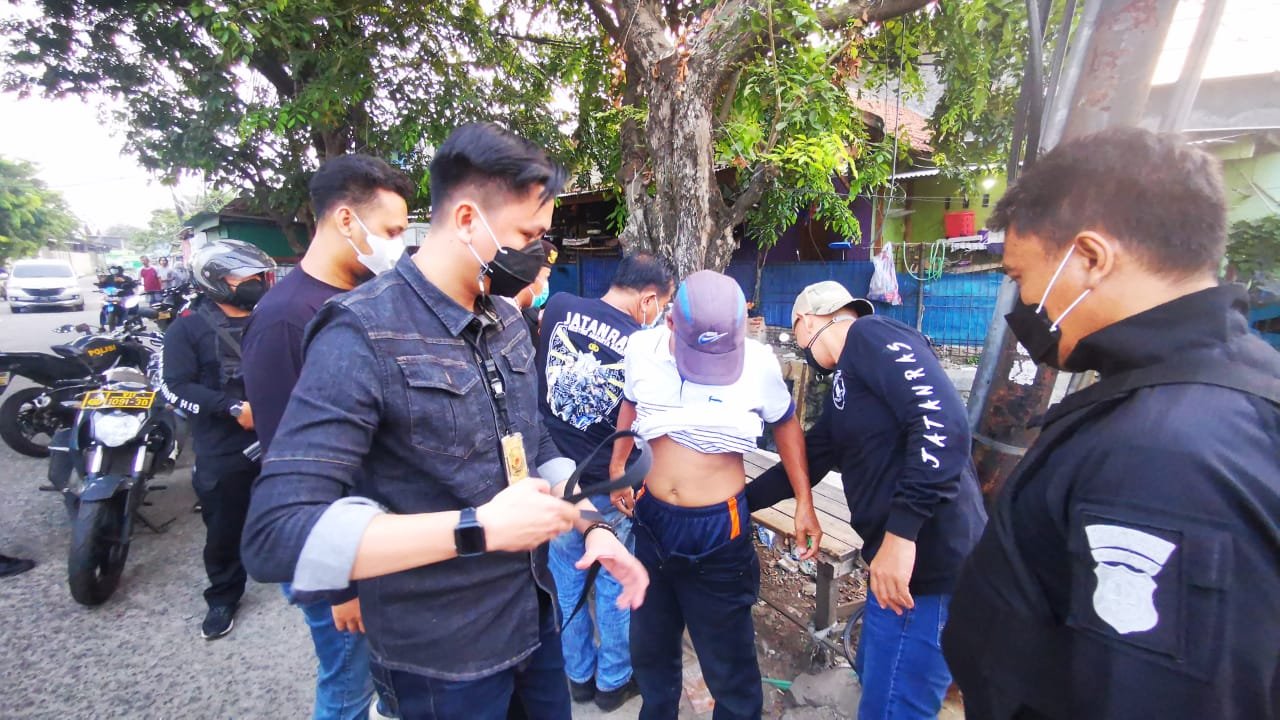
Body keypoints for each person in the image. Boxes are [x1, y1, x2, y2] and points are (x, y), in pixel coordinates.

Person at [241, 122, 648, 720]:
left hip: (533, 621)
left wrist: (592, 526)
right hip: (441, 661)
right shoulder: (360, 331)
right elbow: (276, 534)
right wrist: (477, 528)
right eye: (528, 235)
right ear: (466, 220)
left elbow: (535, 444)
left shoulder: (507, 322)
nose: (539, 253)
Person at [942, 127, 1280, 719]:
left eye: (1020, 278)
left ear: (1091, 259)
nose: (1025, 304)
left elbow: (1154, 693)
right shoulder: (1231, 384)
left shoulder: (1165, 453)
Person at [746, 281, 987, 720]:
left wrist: (902, 534)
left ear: (807, 322)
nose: (800, 348)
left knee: (894, 705)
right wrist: (734, 503)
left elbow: (943, 423)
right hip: (893, 567)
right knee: (878, 685)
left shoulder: (871, 336)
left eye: (797, 335)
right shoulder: (848, 384)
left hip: (927, 567)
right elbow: (808, 460)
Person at [242, 154, 413, 720]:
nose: (397, 245)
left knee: (384, 679)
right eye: (391, 231)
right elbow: (290, 466)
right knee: (346, 687)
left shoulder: (361, 299)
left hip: (375, 539)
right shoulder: (287, 318)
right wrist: (340, 585)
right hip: (338, 560)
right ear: (346, 220)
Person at [609, 270, 821, 720]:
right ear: (669, 322)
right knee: (651, 650)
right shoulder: (641, 350)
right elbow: (630, 401)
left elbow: (785, 423)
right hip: (652, 520)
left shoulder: (757, 362)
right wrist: (617, 464)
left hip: (718, 530)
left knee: (730, 667)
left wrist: (804, 501)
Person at [535, 251, 676, 712]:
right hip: (611, 487)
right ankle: (612, 683)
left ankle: (577, 676)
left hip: (556, 478)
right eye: (661, 305)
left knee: (566, 581)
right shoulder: (644, 345)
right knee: (616, 582)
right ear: (648, 300)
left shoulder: (558, 306)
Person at [162, 239, 275, 639]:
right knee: (224, 525)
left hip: (279, 435)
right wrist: (231, 408)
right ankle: (224, 595)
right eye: (247, 276)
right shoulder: (187, 329)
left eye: (260, 276)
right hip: (224, 446)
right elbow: (175, 386)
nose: (258, 283)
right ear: (216, 280)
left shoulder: (273, 319)